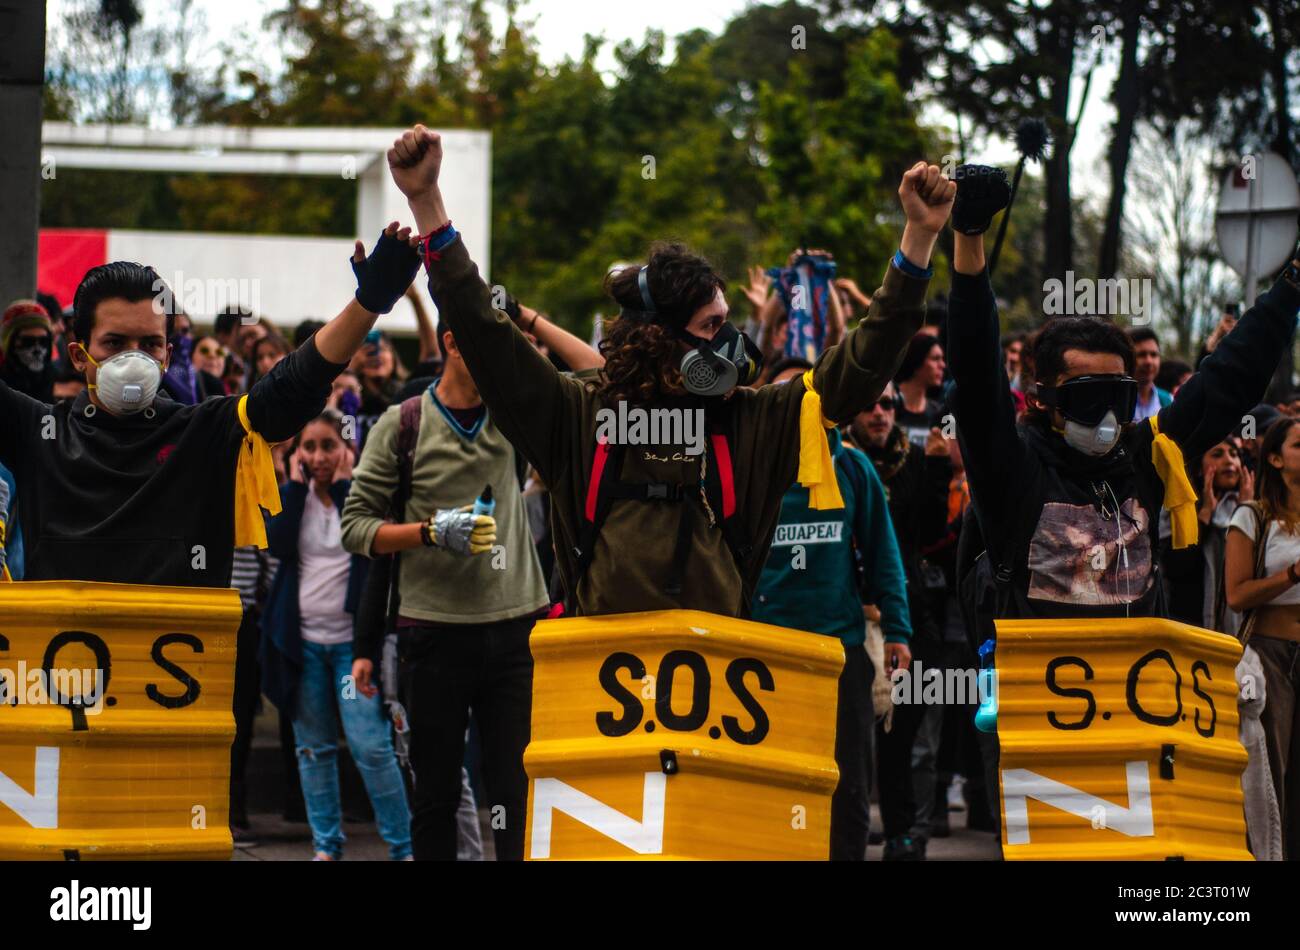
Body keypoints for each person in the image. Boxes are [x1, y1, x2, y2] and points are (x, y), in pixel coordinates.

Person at [387, 124, 955, 620]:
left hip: (721, 700)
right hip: (603, 698)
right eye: (711, 328)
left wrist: (920, 237)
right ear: (661, 338)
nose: (732, 347)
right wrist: (428, 203)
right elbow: (487, 338)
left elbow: (860, 365)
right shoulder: (579, 414)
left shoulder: (753, 419)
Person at [0, 221, 424, 588]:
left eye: (149, 344)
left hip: (185, 679)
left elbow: (291, 385)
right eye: (113, 343)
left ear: (167, 355)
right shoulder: (38, 432)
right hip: (56, 677)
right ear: (78, 356)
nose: (133, 358)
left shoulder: (204, 431)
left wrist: (367, 305)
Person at [340, 316, 551, 861]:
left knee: (515, 789)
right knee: (434, 794)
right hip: (433, 633)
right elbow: (355, 527)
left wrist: (534, 323)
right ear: (452, 343)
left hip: (514, 630)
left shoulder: (515, 413)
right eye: (487, 341)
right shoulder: (403, 423)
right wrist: (430, 532)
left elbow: (591, 383)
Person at [752, 359, 912, 861]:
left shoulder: (852, 467)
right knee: (771, 787)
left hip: (840, 653)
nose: (797, 402)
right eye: (785, 391)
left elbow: (885, 555)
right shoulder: (750, 465)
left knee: (848, 791)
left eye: (808, 391)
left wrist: (898, 632)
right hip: (764, 657)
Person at [263, 410, 412, 861]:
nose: (319, 456)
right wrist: (292, 484)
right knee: (313, 748)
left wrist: (347, 485)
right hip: (303, 643)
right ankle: (327, 847)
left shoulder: (362, 495)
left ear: (347, 450)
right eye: (309, 447)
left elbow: (364, 542)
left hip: (354, 649)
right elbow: (279, 543)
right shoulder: (292, 496)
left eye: (329, 445)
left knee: (371, 746)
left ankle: (403, 849)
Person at [848, 380, 951, 859]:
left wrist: (935, 467)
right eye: (868, 404)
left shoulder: (910, 461)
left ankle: (902, 830)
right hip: (849, 611)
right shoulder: (839, 463)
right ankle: (850, 826)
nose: (879, 413)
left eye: (887, 404)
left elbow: (927, 533)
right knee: (852, 733)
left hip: (904, 609)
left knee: (902, 731)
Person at [1224, 416, 1300, 859]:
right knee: (1272, 772)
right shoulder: (1252, 516)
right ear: (1273, 458)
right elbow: (1236, 595)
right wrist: (1291, 574)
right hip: (1271, 658)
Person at [1163, 438, 1253, 633]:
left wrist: (1246, 513)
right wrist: (1204, 515)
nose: (1229, 461)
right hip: (1189, 628)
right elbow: (1177, 568)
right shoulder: (1179, 510)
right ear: (1198, 469)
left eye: (1235, 454)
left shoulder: (1254, 510)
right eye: (1217, 454)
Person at [894, 332, 948, 449]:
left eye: (942, 359)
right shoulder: (885, 407)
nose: (943, 365)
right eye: (935, 359)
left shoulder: (941, 414)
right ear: (916, 360)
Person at [1, 300, 56, 402]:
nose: (37, 350)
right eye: (28, 342)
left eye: (43, 341)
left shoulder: (50, 376)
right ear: (9, 342)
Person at [1128, 327, 1172, 422]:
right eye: (1141, 355)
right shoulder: (1116, 402)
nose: (1149, 361)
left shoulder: (1167, 400)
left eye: (1154, 355)